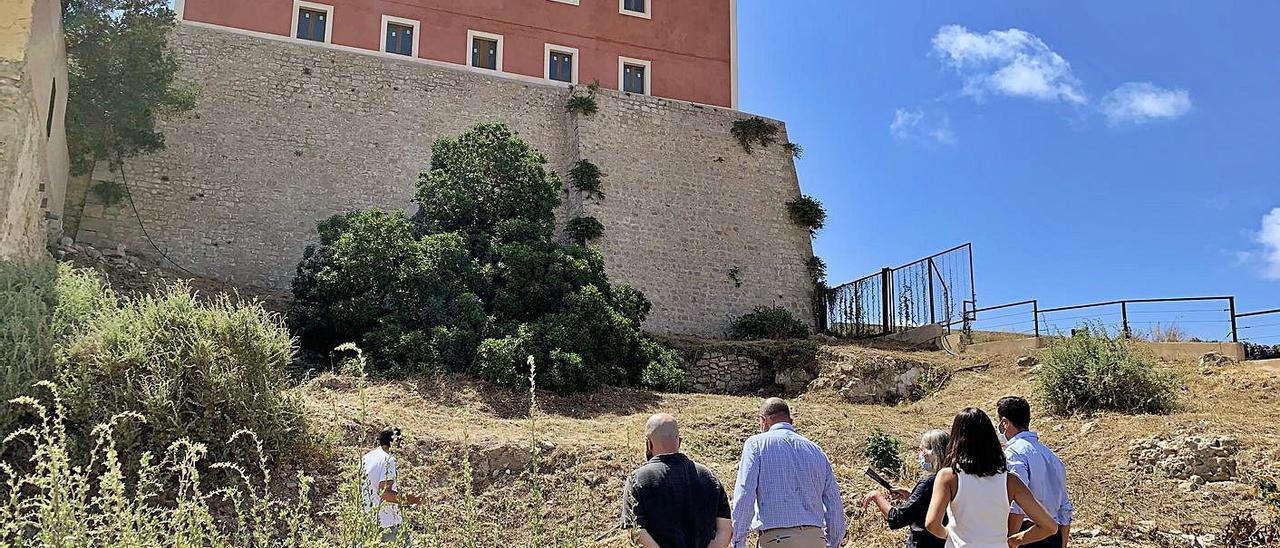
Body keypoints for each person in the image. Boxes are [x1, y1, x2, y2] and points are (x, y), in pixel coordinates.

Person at [924, 408, 1057, 548]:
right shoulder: (1010, 481)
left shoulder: (948, 477)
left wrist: (951, 536)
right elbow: (1049, 526)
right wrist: (1015, 540)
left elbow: (932, 524)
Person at [730, 398, 845, 548]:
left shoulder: (756, 444)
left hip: (777, 539)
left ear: (763, 420)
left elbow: (745, 494)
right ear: (790, 420)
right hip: (816, 538)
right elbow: (834, 504)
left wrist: (738, 542)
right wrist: (832, 543)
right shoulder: (816, 451)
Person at [622, 413, 733, 548]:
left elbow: (636, 532)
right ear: (679, 441)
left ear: (649, 443)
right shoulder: (709, 477)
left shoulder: (637, 480)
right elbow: (725, 531)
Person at [997, 396, 1074, 548]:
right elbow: (1064, 507)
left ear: (1004, 423)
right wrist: (1062, 542)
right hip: (1052, 534)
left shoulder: (1013, 453)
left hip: (1025, 535)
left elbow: (1017, 503)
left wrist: (1010, 540)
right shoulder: (1051, 455)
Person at [863, 429, 951, 548]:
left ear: (933, 452)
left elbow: (897, 518)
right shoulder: (954, 478)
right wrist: (912, 495)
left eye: (922, 450)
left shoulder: (928, 483)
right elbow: (934, 504)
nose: (921, 454)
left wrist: (876, 496)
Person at [362, 428, 422, 544]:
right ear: (396, 441)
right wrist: (412, 499)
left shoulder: (366, 458)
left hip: (367, 520)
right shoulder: (388, 460)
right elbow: (384, 493)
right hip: (387, 523)